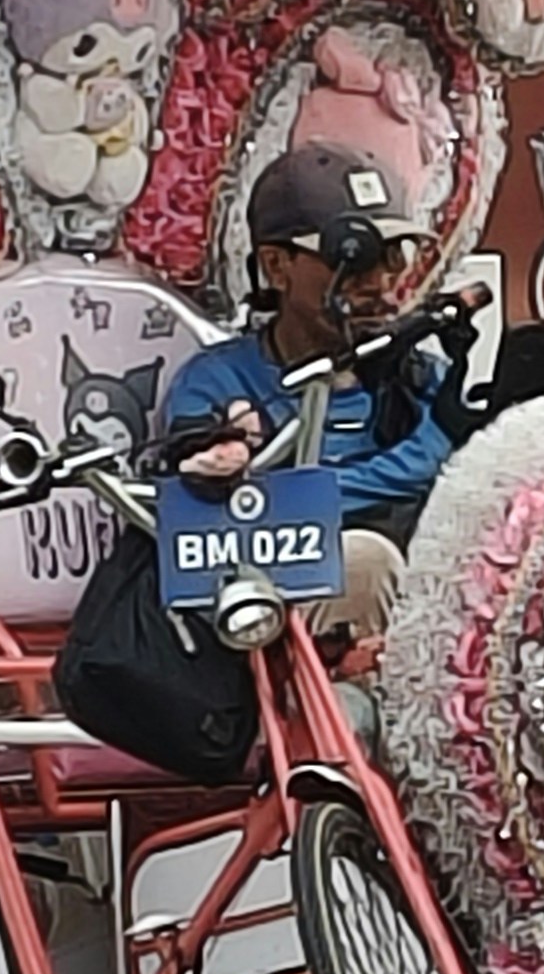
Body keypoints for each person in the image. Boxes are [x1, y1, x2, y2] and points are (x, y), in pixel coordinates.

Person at [165, 141, 471, 639]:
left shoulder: (419, 376)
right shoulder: (216, 384)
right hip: (264, 630)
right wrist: (429, 449)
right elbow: (224, 512)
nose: (379, 281)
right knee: (362, 562)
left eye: (393, 255)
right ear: (277, 266)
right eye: (354, 258)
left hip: (421, 630)